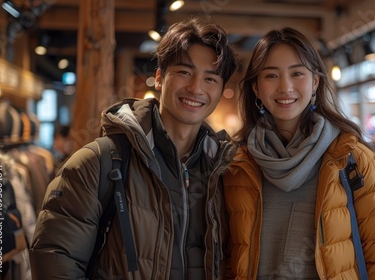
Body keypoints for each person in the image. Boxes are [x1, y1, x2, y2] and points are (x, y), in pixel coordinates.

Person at [29, 17, 237, 279]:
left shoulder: (225, 169)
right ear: (160, 78)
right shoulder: (98, 162)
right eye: (184, 72)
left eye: (210, 79)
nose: (196, 88)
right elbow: (55, 259)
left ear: (220, 91)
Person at [223, 27, 375, 279]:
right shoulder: (237, 165)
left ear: (315, 82)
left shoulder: (351, 159)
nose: (285, 87)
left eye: (297, 73)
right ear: (255, 88)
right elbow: (226, 258)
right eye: (271, 75)